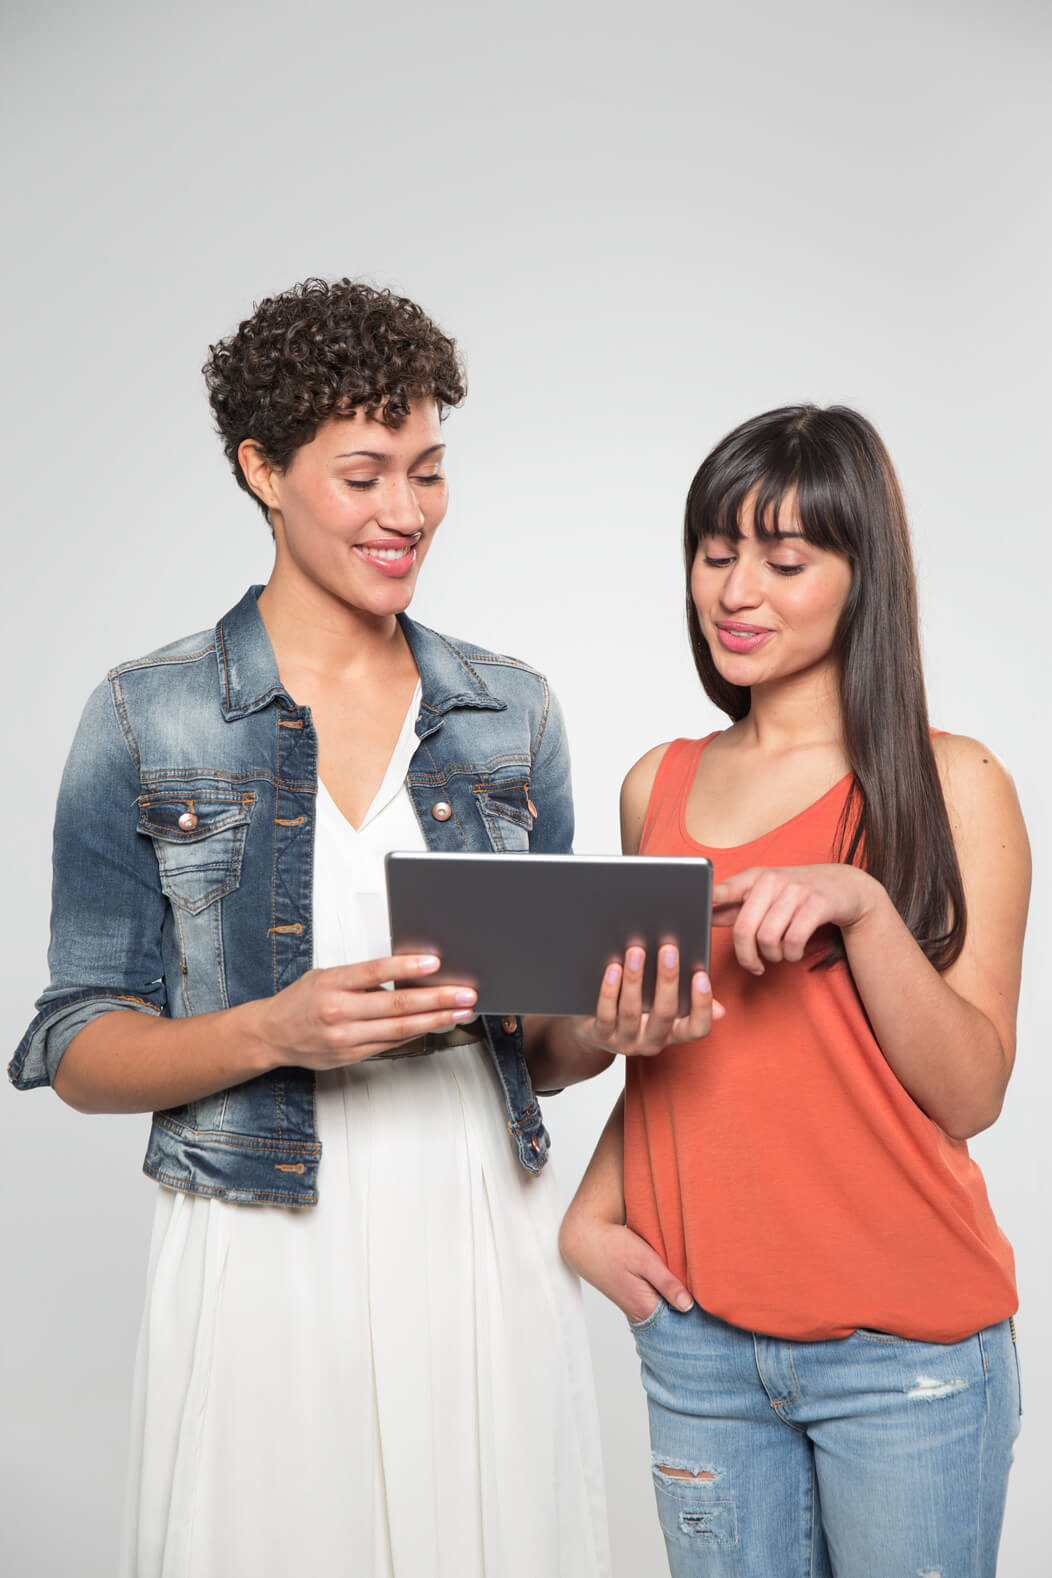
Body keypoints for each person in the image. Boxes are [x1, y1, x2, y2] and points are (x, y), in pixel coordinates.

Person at [9, 278, 612, 1578]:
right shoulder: (143, 717)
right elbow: (75, 1040)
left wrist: (610, 1024)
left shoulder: (512, 713)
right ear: (262, 469)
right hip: (263, 1242)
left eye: (429, 469)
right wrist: (269, 1029)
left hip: (475, 1234)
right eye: (364, 473)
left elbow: (548, 1043)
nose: (408, 512)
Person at [559, 405, 1029, 1578]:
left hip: (904, 1356)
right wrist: (587, 1211)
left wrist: (862, 907)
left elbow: (969, 1090)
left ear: (860, 576)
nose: (735, 590)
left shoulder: (950, 781)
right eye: (715, 553)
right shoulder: (652, 786)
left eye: (783, 559)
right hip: (704, 1353)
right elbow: (683, 1055)